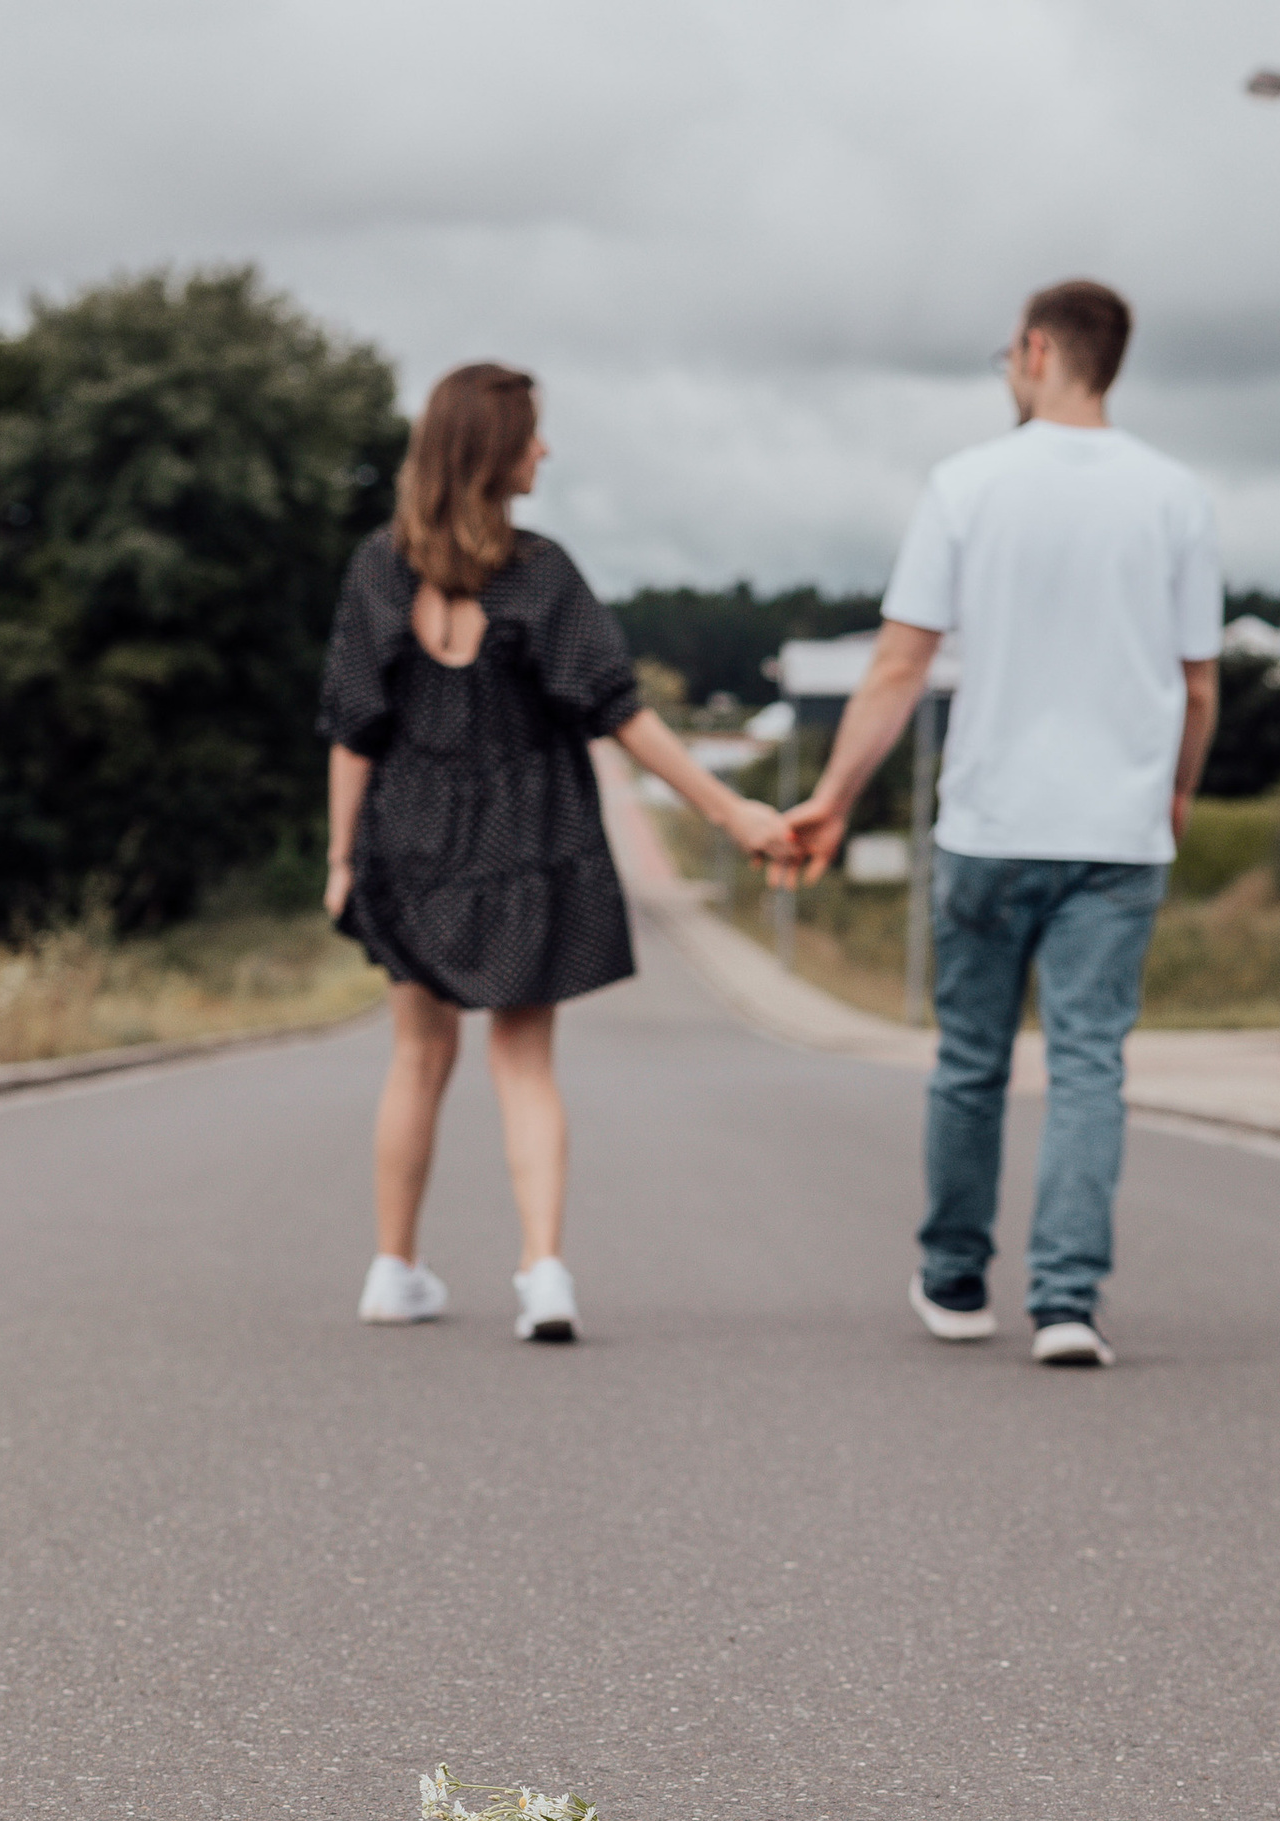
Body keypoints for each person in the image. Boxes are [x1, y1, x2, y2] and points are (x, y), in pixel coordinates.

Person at [782, 281, 1220, 1368]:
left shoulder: (966, 484)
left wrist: (833, 798)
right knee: (1087, 1067)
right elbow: (1198, 682)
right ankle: (1066, 1305)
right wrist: (1176, 787)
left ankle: (956, 1281)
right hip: (1118, 834)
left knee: (971, 1060)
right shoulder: (1175, 496)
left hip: (990, 821)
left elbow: (898, 665)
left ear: (1035, 350)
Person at [320, 362, 791, 1342]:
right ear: (494, 451)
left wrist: (339, 859)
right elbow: (622, 711)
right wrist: (726, 810)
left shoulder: (379, 567)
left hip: (410, 841)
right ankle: (542, 1276)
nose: (544, 449)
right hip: (526, 839)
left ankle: (392, 1270)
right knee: (524, 1061)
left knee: (415, 1057)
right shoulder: (541, 572)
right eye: (531, 434)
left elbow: (353, 728)